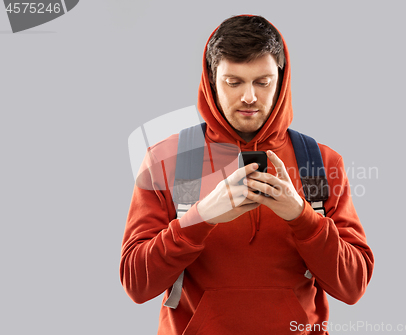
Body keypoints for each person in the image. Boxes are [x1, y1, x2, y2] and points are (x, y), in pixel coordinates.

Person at [120, 15, 374, 335]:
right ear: (212, 80)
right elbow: (136, 284)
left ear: (281, 80)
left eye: (262, 82)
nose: (250, 97)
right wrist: (201, 217)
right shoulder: (166, 160)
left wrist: (301, 216)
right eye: (234, 82)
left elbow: (353, 287)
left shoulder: (321, 163)